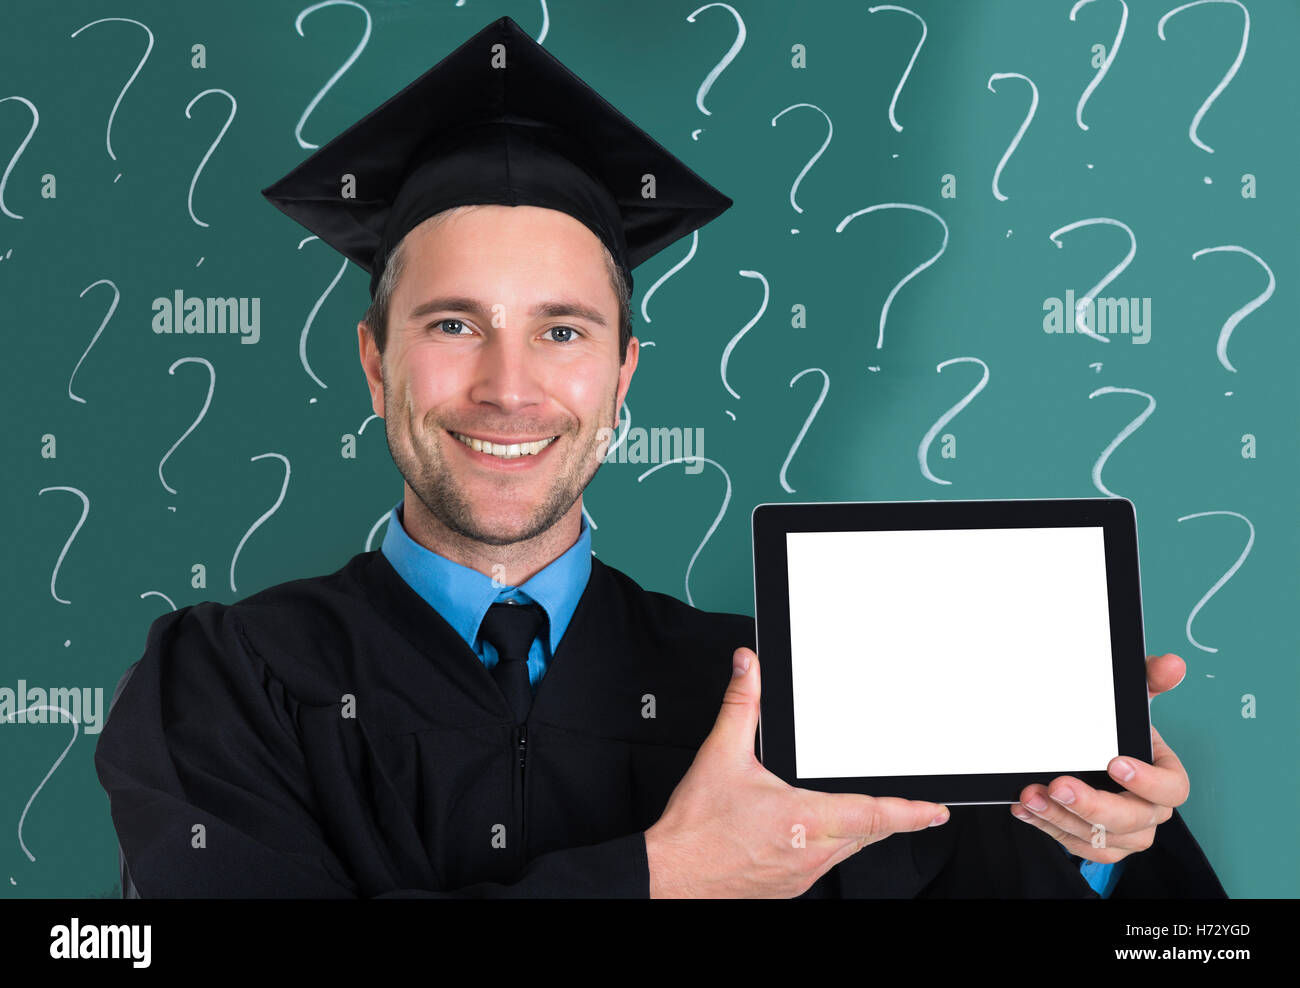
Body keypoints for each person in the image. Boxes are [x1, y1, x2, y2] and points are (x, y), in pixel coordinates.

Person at [94, 15, 1226, 898]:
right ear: (374, 364)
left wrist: (1096, 842)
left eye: (562, 329)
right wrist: (669, 878)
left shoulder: (797, 687)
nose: (507, 384)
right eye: (451, 325)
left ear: (623, 377)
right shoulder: (228, 682)